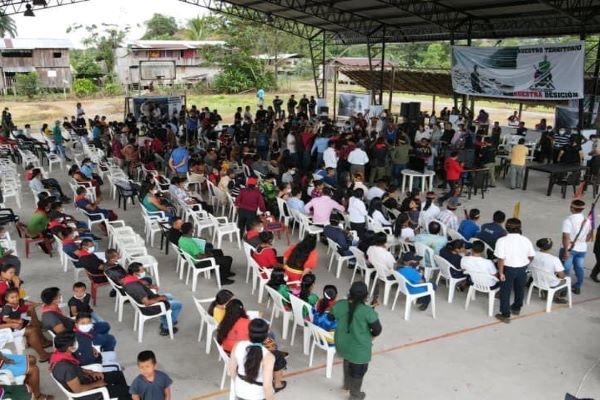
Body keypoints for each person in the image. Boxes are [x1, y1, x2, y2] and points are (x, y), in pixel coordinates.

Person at [331, 282, 382, 400]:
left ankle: (347, 384)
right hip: (359, 349)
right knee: (358, 371)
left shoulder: (340, 304)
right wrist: (371, 336)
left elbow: (331, 317)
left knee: (347, 360)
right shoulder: (368, 311)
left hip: (342, 344)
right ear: (366, 296)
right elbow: (377, 330)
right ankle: (355, 395)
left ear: (350, 293)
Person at [50, 332, 131, 399]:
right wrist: (97, 384)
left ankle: (123, 395)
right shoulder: (66, 368)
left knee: (118, 374)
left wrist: (90, 372)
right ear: (69, 348)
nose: (77, 343)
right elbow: (78, 389)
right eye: (75, 342)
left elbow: (76, 368)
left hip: (86, 379)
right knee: (129, 390)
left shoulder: (58, 355)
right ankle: (124, 394)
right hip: (89, 394)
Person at [41, 287, 116, 351]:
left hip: (75, 326)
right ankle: (96, 345)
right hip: (78, 335)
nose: (61, 295)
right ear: (54, 300)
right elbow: (64, 335)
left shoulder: (50, 307)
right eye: (59, 295)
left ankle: (98, 342)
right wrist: (84, 331)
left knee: (105, 325)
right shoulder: (52, 317)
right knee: (110, 339)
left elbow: (65, 320)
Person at [122, 263, 183, 336]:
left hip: (145, 300)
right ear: (135, 273)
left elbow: (140, 285)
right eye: (142, 270)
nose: (144, 271)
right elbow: (147, 302)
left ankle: (166, 320)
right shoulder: (136, 287)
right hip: (148, 308)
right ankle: (166, 328)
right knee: (178, 304)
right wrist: (160, 298)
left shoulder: (128, 279)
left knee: (169, 296)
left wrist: (150, 287)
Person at [494, 218, 535, 323]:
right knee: (519, 288)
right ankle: (517, 308)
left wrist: (501, 272)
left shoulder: (501, 241)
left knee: (505, 290)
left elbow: (500, 259)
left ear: (506, 228)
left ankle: (505, 314)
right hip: (522, 268)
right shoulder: (526, 240)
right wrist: (524, 264)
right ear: (520, 228)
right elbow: (531, 256)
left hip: (508, 269)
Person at [228, 318, 277, 400]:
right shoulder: (268, 357)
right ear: (267, 334)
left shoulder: (238, 345)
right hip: (257, 396)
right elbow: (267, 387)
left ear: (249, 332)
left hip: (239, 391)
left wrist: (238, 383)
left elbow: (231, 370)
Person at [1, 287, 51, 362]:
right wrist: (14, 321)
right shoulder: (7, 308)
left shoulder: (17, 302)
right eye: (12, 297)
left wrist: (39, 304)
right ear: (6, 298)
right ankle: (43, 354)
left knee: (33, 324)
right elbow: (5, 319)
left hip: (16, 324)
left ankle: (36, 344)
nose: (15, 299)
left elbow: (26, 302)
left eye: (16, 296)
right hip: (8, 328)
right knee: (32, 329)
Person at [560, 199, 592, 295]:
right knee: (579, 268)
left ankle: (564, 288)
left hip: (570, 248)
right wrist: (582, 241)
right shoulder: (587, 220)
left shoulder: (568, 220)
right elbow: (590, 234)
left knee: (566, 269)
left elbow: (566, 237)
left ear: (572, 208)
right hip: (582, 248)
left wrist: (566, 251)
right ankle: (578, 286)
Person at [530, 238, 568, 304]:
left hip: (537, 279)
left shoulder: (533, 254)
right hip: (550, 282)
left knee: (544, 274)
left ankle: (545, 292)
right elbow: (562, 276)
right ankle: (556, 297)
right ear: (550, 247)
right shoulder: (554, 259)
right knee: (565, 281)